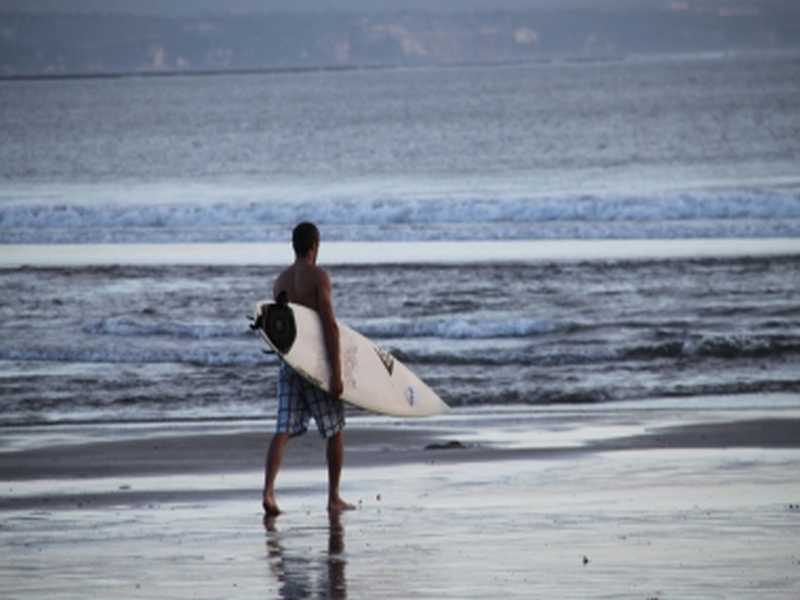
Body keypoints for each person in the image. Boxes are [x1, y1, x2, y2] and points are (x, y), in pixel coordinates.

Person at [263, 222, 355, 515]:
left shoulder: (281, 282)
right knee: (335, 430)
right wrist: (337, 373)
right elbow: (328, 324)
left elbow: (279, 330)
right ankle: (333, 497)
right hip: (317, 365)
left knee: (283, 430)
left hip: (291, 365)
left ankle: (268, 493)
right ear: (315, 246)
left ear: (294, 246)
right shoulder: (319, 277)